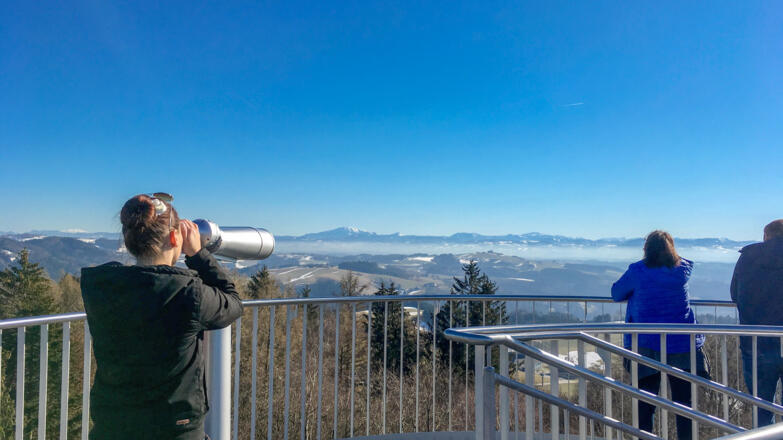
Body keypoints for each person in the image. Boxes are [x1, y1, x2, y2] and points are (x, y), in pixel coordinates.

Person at [81, 193, 243, 440]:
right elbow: (232, 302)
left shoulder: (100, 286)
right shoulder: (189, 294)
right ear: (175, 236)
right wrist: (198, 254)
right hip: (174, 429)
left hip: (112, 426)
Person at [611, 230, 709, 439]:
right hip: (683, 345)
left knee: (645, 403)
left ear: (646, 249)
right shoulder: (682, 270)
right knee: (685, 406)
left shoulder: (638, 271)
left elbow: (616, 293)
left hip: (646, 345)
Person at [730, 219, 783, 427]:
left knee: (761, 407)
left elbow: (735, 294)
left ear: (765, 236)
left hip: (756, 343)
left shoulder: (747, 257)